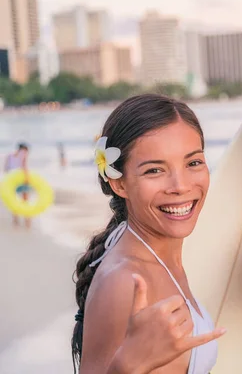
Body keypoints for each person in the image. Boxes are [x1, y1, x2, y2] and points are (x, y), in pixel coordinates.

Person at [71, 94, 225, 374]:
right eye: (154, 170)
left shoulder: (143, 248)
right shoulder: (126, 282)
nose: (180, 186)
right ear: (119, 184)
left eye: (193, 163)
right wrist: (127, 366)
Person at [3, 142, 31, 229]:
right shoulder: (23, 155)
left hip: (12, 181)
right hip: (21, 180)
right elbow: (24, 167)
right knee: (25, 200)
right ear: (23, 149)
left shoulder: (9, 156)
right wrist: (27, 179)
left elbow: (6, 169)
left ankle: (16, 220)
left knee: (14, 200)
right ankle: (27, 220)